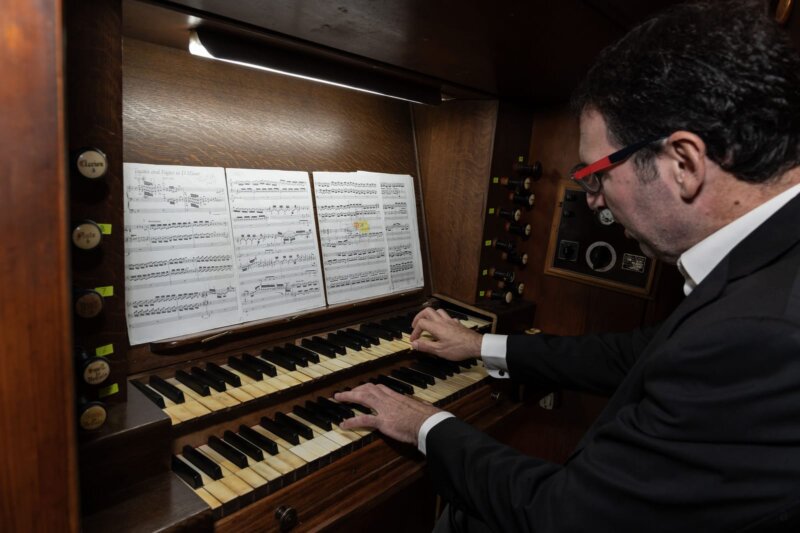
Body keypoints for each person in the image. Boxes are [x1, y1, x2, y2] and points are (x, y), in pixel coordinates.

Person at [335, 1, 800, 531]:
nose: (595, 203)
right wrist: (479, 345)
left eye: (597, 174)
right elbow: (639, 354)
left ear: (683, 163)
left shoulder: (763, 330)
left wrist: (427, 424)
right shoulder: (768, 262)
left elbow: (564, 516)